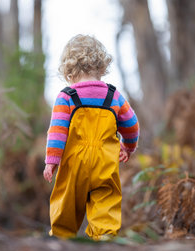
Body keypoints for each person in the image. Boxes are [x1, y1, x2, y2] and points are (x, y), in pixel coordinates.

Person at [43, 34, 139, 240]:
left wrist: (51, 161)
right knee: (106, 203)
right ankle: (104, 239)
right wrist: (128, 146)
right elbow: (132, 125)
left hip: (73, 165)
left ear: (68, 71)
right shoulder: (113, 96)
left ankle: (61, 239)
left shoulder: (66, 97)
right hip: (105, 163)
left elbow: (57, 131)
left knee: (66, 205)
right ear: (101, 66)